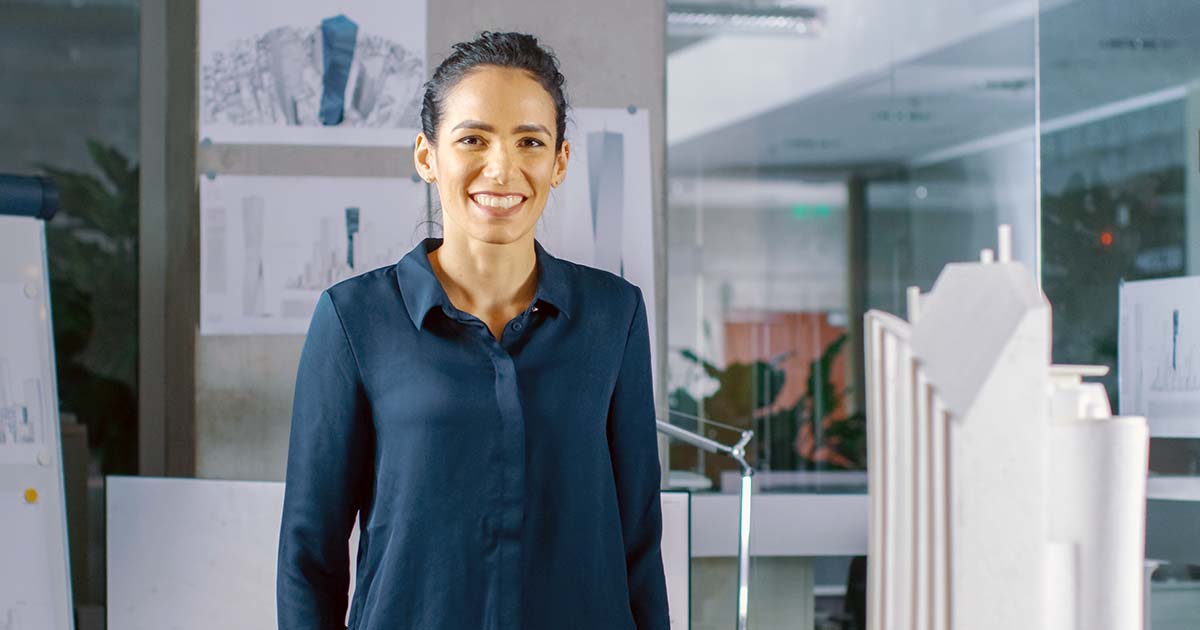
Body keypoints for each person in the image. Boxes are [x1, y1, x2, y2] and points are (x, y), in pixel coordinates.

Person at [276, 31, 670, 630]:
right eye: (473, 139)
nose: (502, 168)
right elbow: (310, 558)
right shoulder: (355, 319)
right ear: (427, 156)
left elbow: (639, 541)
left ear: (559, 161)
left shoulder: (614, 316)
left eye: (530, 141)